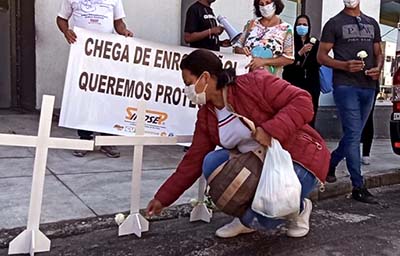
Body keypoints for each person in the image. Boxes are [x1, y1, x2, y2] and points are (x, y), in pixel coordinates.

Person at [146, 49, 330, 239]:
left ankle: (298, 208)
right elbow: (193, 161)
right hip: (256, 163)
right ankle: (247, 218)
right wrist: (163, 198)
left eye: (189, 83)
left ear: (205, 77)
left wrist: (270, 130)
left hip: (296, 159)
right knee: (211, 162)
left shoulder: (254, 83)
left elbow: (303, 102)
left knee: (267, 217)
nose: (187, 90)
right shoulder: (207, 114)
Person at [317, 0, 383, 204]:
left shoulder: (372, 22)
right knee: (354, 134)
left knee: (355, 134)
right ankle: (358, 185)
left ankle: (331, 162)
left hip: (369, 85)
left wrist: (379, 68)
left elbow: (378, 53)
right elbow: (321, 56)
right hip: (345, 85)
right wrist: (343, 65)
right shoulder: (334, 23)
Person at [56, 0, 133, 158]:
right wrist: (66, 31)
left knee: (107, 95)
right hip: (82, 55)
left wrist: (124, 31)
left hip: (107, 55)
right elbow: (61, 18)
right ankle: (84, 140)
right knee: (83, 96)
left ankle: (106, 141)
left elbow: (118, 23)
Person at [233, 0, 294, 77]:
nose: (265, 6)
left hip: (270, 80)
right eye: (261, 4)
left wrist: (264, 61)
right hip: (246, 77)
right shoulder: (251, 24)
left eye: (268, 2)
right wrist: (241, 50)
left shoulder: (286, 29)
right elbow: (237, 46)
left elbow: (289, 58)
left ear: (276, 3)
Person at [282, 15, 320, 128]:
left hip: (311, 82)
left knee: (311, 110)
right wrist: (300, 53)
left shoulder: (315, 43)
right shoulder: (290, 42)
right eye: (299, 24)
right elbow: (287, 63)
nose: (302, 27)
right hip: (294, 81)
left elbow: (318, 62)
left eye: (304, 25)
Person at [361, 87, 379, 165]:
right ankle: (365, 154)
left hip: (368, 85)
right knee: (367, 117)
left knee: (367, 117)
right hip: (351, 83)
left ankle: (365, 153)